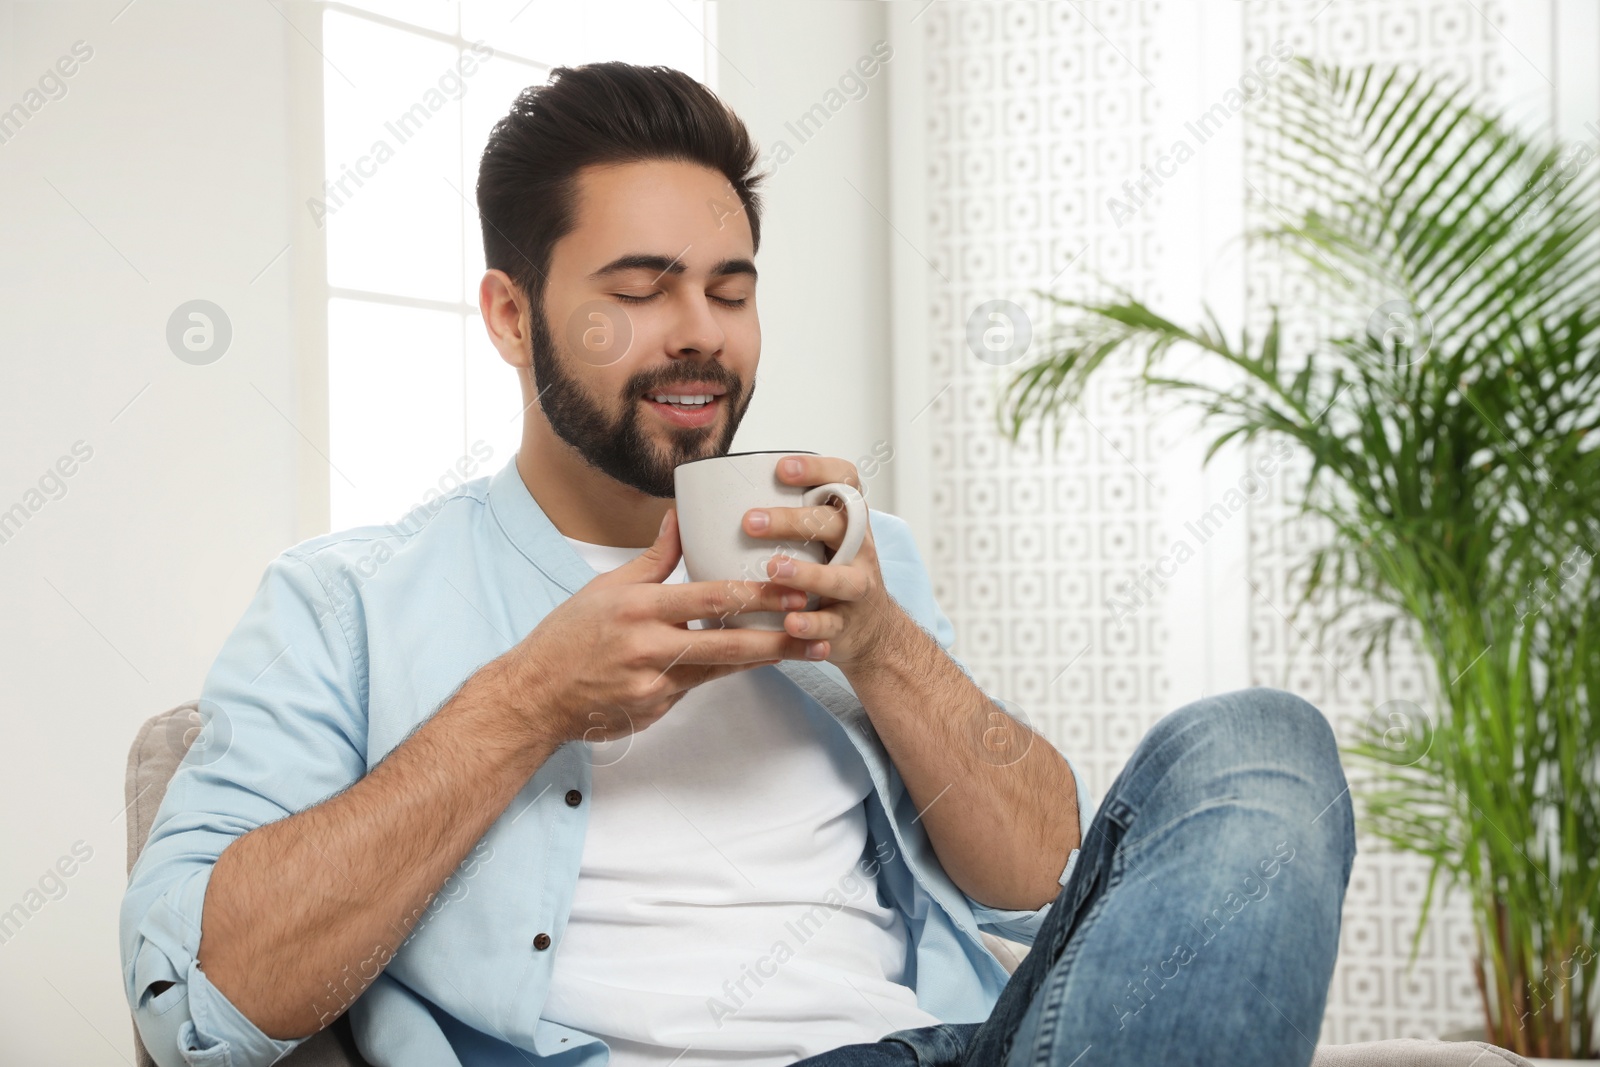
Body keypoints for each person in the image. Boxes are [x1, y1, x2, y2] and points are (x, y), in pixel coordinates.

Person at [120, 61, 1354, 1067]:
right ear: (510, 315)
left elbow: (1041, 888)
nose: (700, 333)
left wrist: (880, 645)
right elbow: (199, 1008)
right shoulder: (344, 605)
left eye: (728, 288)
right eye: (641, 291)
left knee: (1261, 739)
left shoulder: (861, 564)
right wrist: (531, 698)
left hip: (945, 1045)